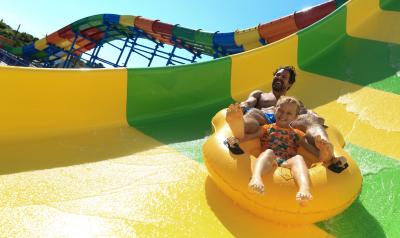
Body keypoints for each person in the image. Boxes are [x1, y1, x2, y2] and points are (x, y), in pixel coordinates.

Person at [227, 65, 346, 167]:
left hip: (288, 122)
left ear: (289, 84)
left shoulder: (294, 103)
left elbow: (307, 114)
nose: (279, 78)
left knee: (309, 120)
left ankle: (326, 149)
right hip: (265, 117)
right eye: (277, 75)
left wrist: (314, 117)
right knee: (253, 112)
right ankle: (238, 130)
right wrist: (241, 108)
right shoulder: (259, 95)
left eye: (284, 77)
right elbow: (248, 103)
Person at [228, 96, 316, 204]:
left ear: (296, 117)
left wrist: (325, 151)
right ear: (275, 110)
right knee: (269, 152)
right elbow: (246, 137)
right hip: (270, 160)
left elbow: (313, 151)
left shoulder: (297, 134)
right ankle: (256, 178)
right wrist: (236, 134)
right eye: (281, 110)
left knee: (298, 158)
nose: (283, 115)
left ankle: (304, 189)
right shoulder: (267, 128)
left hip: (286, 163)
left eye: (289, 113)